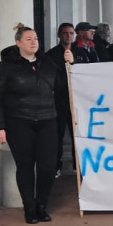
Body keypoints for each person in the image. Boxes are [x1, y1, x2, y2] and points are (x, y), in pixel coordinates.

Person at [0, 25, 73, 224]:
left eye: (36, 38)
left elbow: (62, 86)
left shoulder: (47, 63)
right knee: (26, 166)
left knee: (47, 167)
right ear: (18, 42)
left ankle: (41, 205)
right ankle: (29, 208)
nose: (33, 42)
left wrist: (69, 65)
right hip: (19, 121)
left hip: (47, 119)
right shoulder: (6, 67)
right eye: (28, 39)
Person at [45, 23, 75, 176]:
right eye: (65, 33)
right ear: (59, 34)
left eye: (71, 33)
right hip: (59, 99)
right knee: (57, 134)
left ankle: (78, 166)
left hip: (76, 99)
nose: (68, 36)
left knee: (77, 133)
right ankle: (56, 165)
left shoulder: (80, 52)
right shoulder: (51, 54)